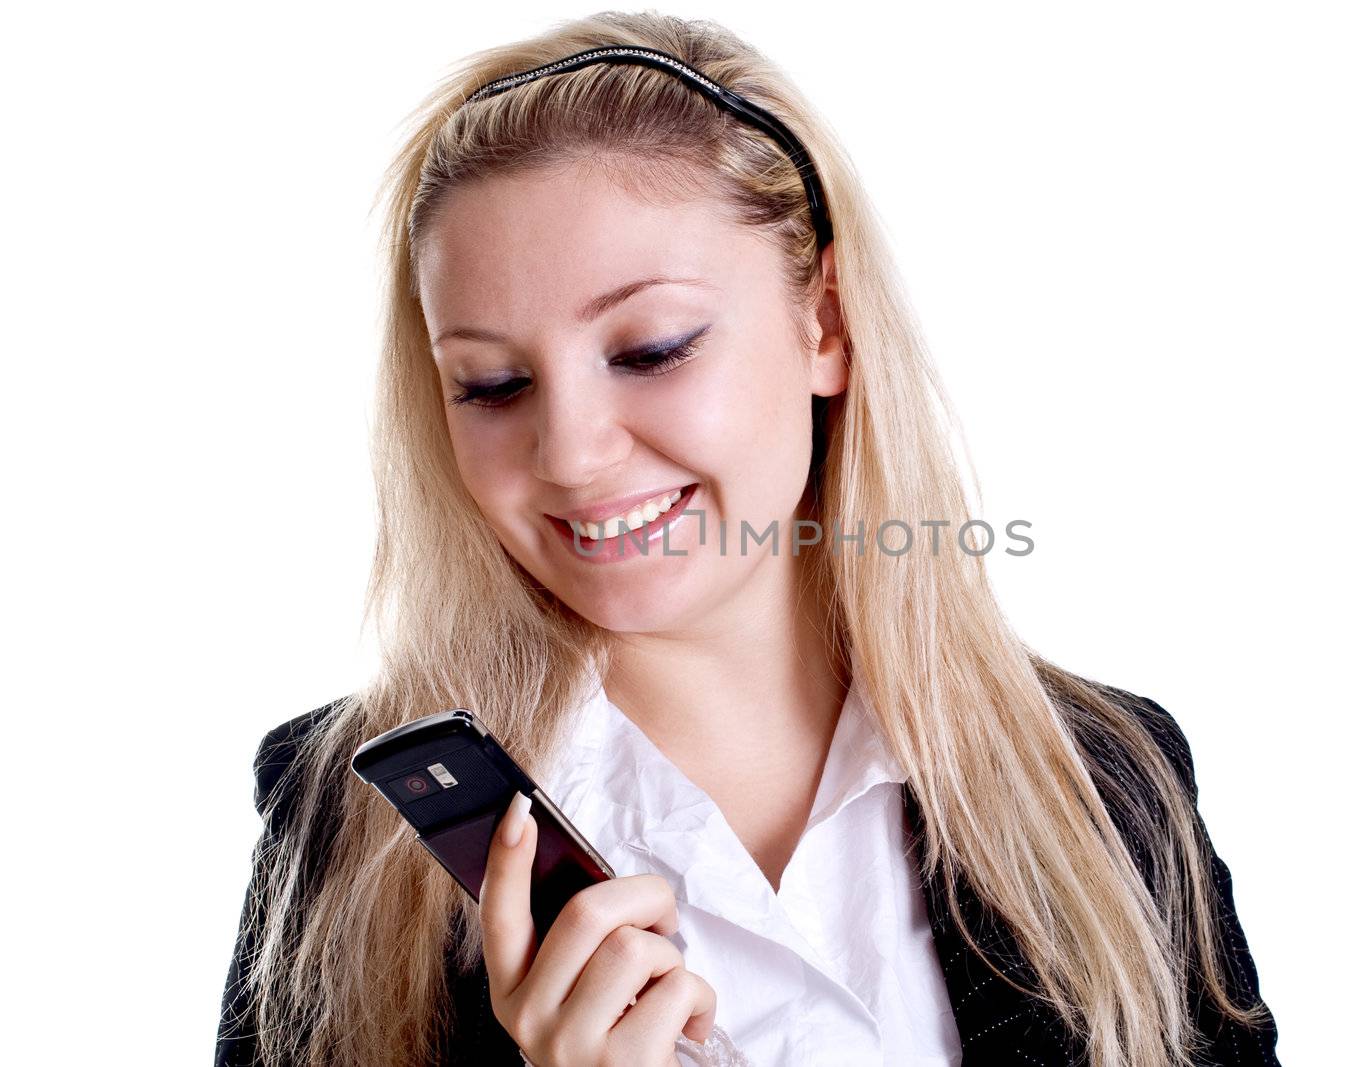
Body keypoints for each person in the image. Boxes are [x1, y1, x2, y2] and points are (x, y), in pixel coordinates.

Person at [215, 11, 1280, 1067]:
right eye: (492, 384)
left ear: (824, 325)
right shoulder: (350, 833)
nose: (571, 455)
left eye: (650, 348)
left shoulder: (1102, 783)